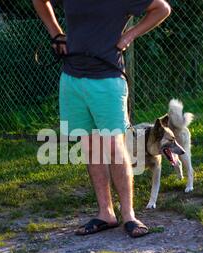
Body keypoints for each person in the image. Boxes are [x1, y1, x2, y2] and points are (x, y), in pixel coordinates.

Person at [33, 0, 171, 238]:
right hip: (72, 78)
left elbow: (162, 8)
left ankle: (129, 215)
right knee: (90, 146)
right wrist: (55, 32)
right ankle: (105, 213)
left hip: (107, 78)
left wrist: (129, 35)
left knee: (114, 146)